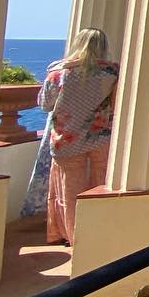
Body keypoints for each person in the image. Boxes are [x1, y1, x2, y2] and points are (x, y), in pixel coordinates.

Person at [38, 28, 118, 244]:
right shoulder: (112, 73)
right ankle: (99, 232)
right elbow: (115, 104)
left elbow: (45, 104)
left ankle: (73, 237)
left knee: (69, 191)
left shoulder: (59, 73)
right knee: (100, 185)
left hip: (67, 138)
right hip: (99, 136)